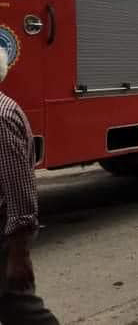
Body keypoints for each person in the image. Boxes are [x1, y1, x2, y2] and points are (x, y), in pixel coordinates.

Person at [0, 48, 59, 324]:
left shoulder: (1, 116)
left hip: (4, 233)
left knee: (21, 309)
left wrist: (18, 252)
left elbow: (18, 188)